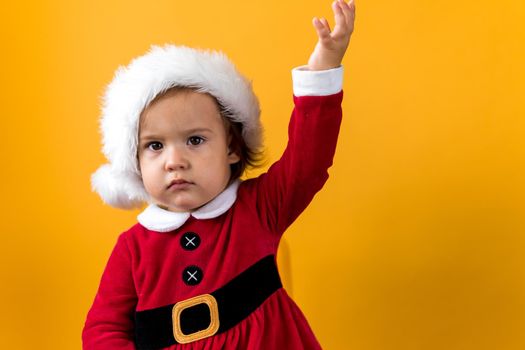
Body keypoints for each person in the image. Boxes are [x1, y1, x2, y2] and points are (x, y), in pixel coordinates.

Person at [83, 0, 356, 348]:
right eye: (155, 146)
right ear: (134, 161)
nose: (174, 160)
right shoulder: (132, 249)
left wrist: (323, 70)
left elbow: (309, 163)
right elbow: (102, 331)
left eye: (194, 140)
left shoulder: (258, 209)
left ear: (232, 149)